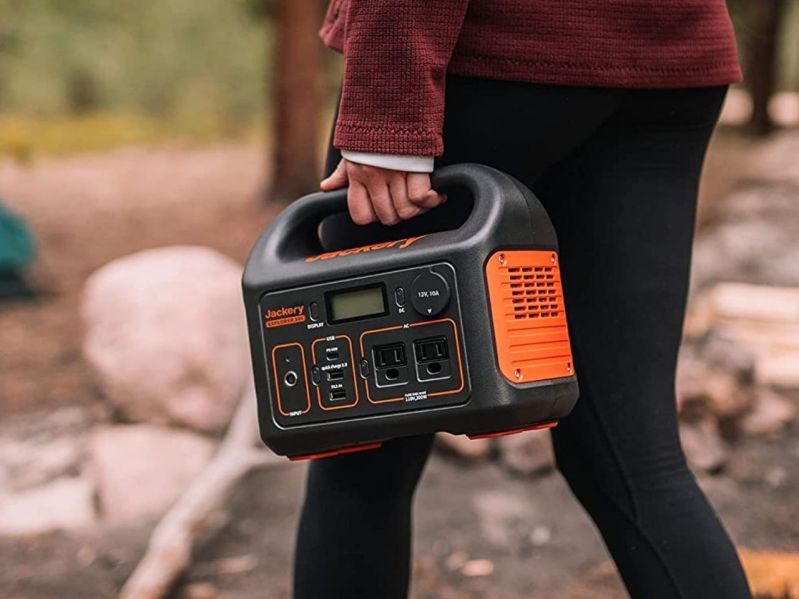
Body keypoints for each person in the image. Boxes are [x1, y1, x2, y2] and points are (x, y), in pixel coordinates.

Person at [294, 2, 753, 598]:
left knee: (360, 449)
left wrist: (388, 115)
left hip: (493, 56)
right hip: (662, 61)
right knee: (636, 457)